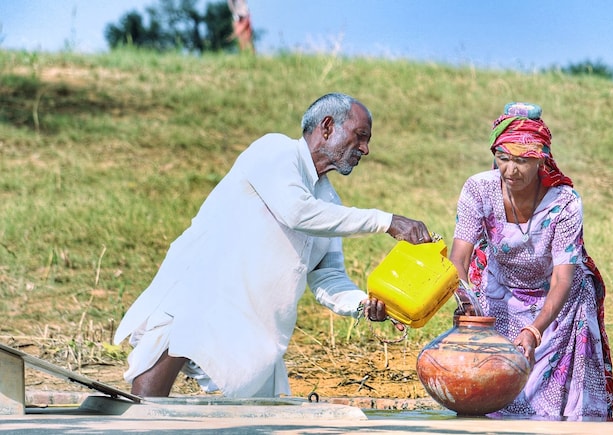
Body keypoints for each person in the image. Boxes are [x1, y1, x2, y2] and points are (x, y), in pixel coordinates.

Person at [113, 93, 431, 398]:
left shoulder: (329, 201)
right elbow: (296, 211)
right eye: (360, 136)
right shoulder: (276, 151)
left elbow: (327, 277)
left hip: (256, 327)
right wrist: (386, 221)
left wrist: (364, 305)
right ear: (328, 126)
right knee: (150, 401)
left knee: (261, 416)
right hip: (202, 294)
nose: (365, 148)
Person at [449, 102, 613, 420]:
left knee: (550, 407)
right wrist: (467, 305)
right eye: (503, 158)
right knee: (496, 394)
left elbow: (563, 278)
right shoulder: (479, 189)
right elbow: (459, 258)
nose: (510, 170)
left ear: (542, 158)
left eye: (523, 160)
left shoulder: (565, 202)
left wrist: (535, 331)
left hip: (560, 305)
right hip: (499, 294)